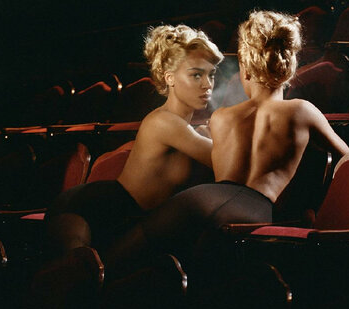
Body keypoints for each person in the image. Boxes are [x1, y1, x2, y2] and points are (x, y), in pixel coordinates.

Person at [102, 9, 349, 277]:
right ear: (289, 67)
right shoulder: (302, 111)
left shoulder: (221, 117)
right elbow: (348, 160)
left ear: (246, 68)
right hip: (252, 211)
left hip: (198, 200)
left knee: (117, 262)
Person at [44, 23, 224, 258]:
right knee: (78, 271)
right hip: (91, 207)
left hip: (132, 217)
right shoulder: (164, 122)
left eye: (211, 74)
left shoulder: (190, 131)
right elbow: (226, 162)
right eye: (196, 75)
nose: (207, 84)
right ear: (170, 78)